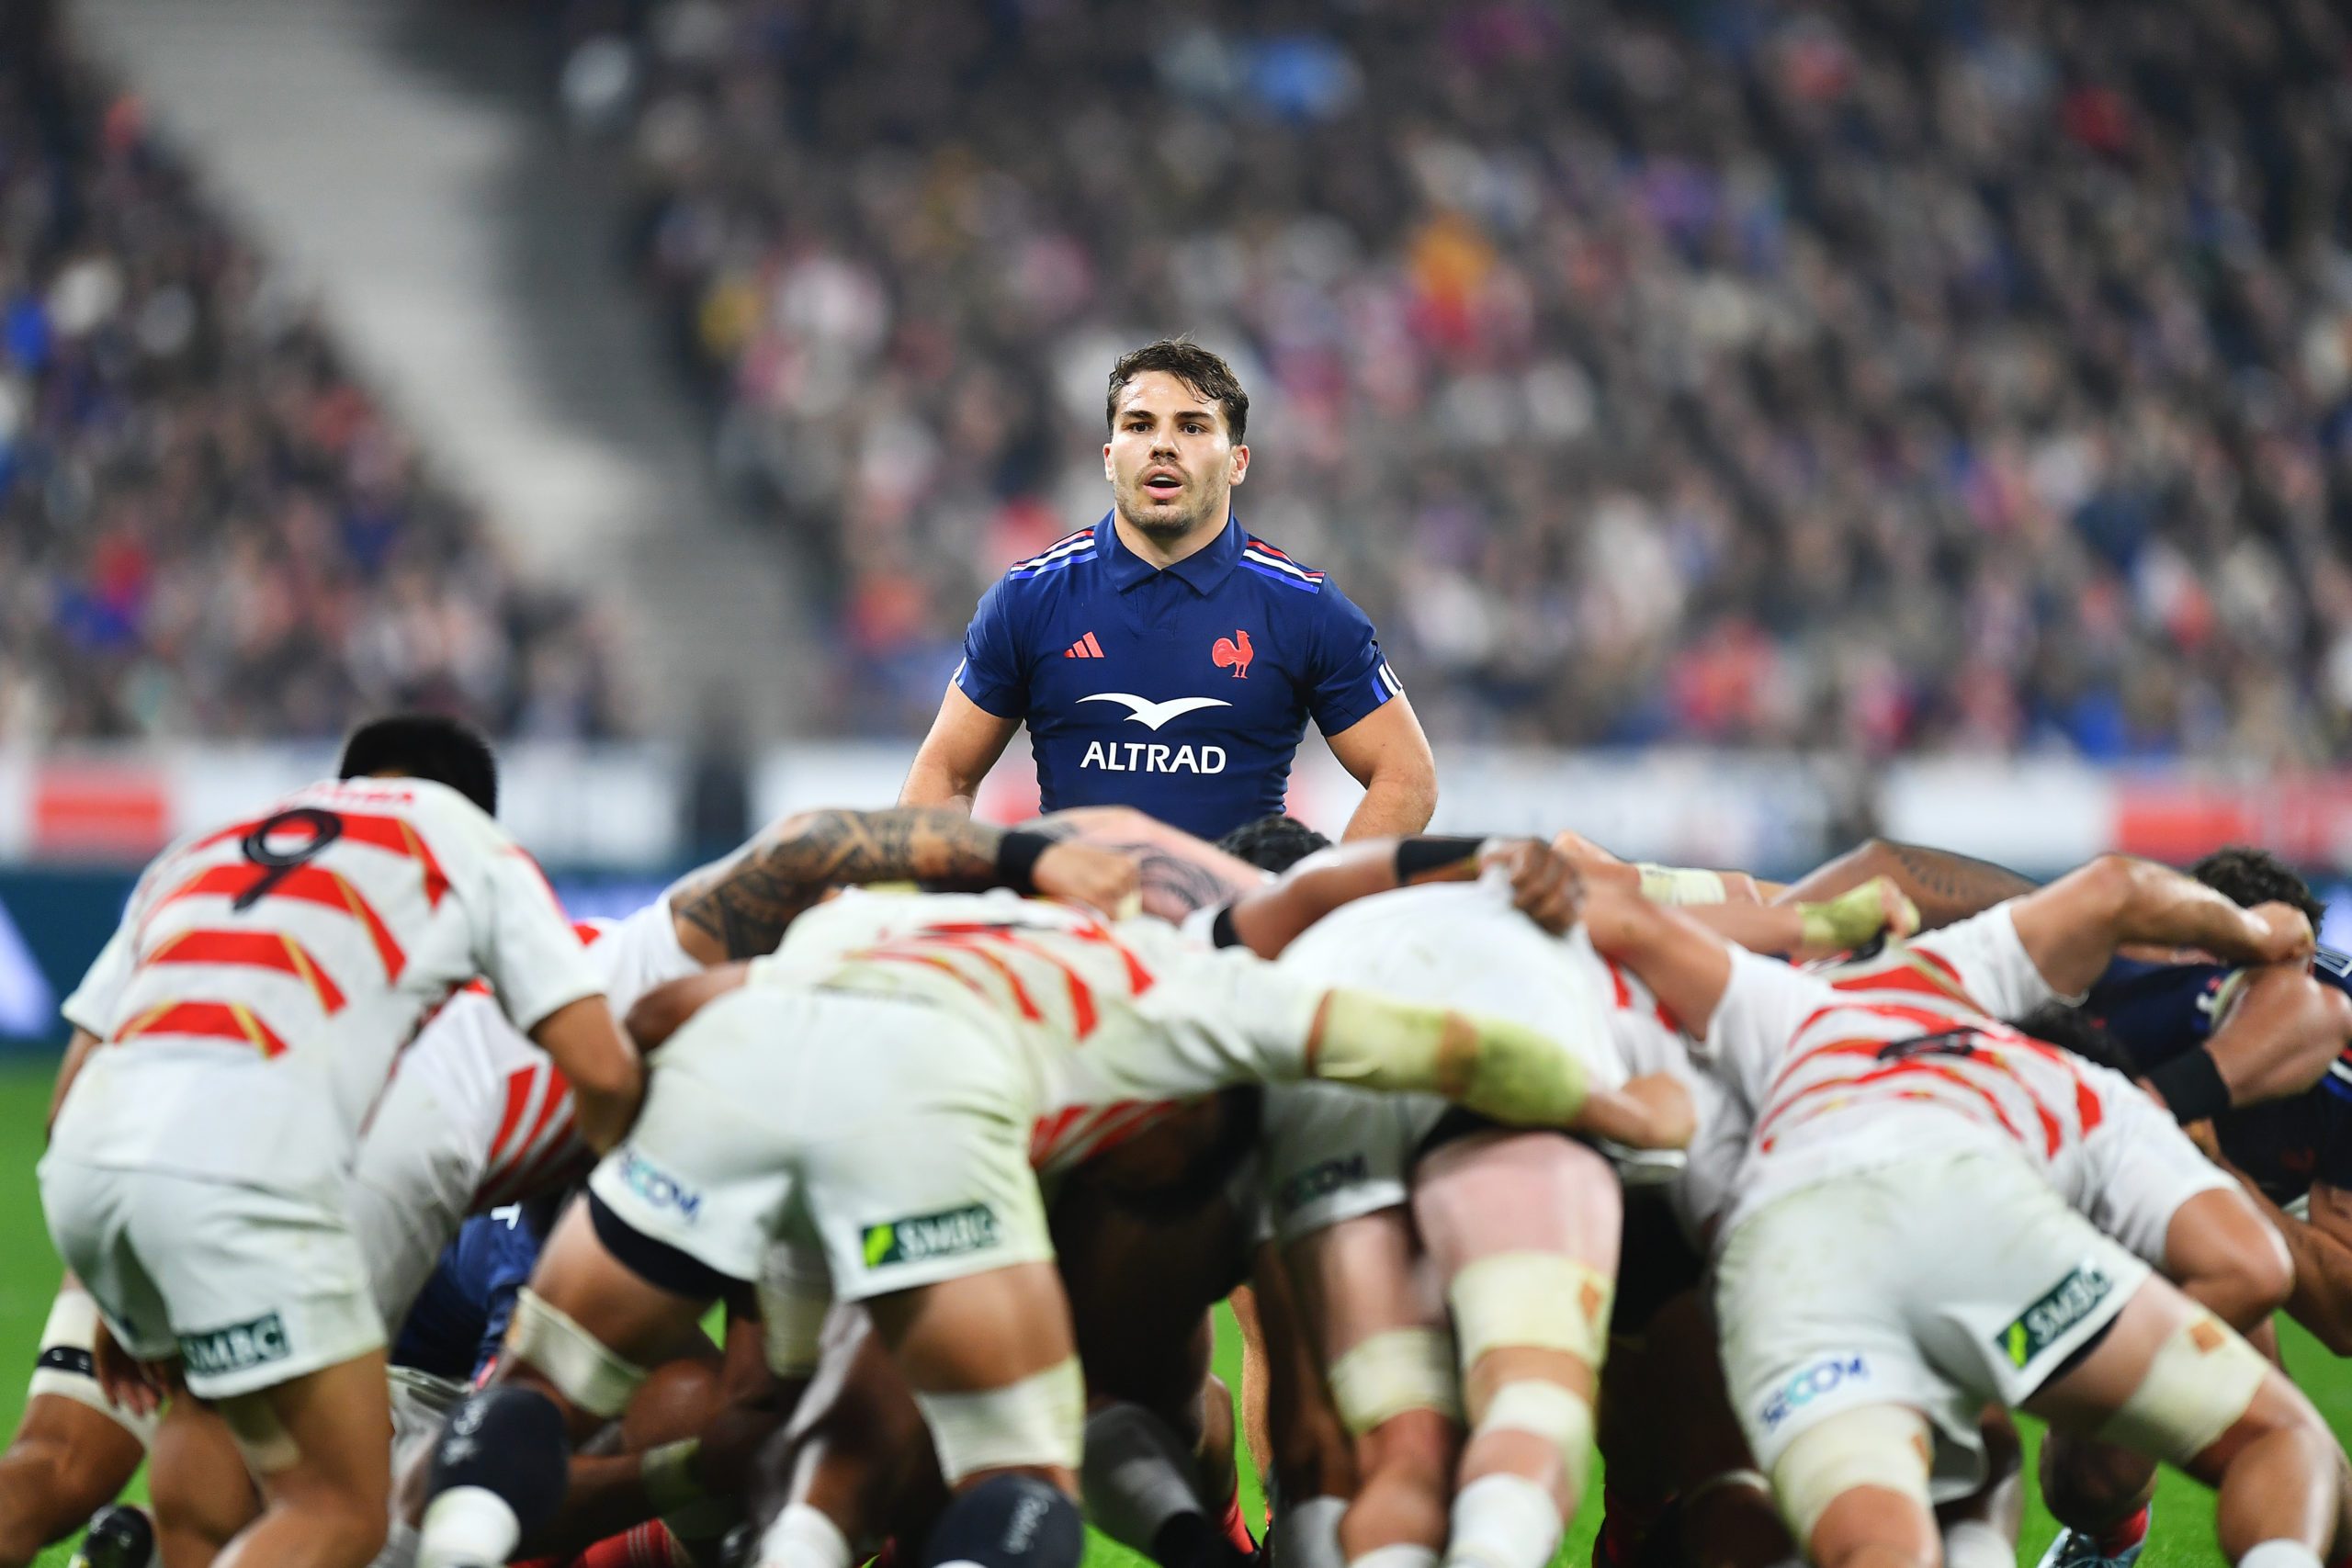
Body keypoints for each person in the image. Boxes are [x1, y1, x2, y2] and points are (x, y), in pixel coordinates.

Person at [408, 848, 1687, 1568]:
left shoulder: (889, 926)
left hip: (740, 1066)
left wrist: (637, 1143)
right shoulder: (1182, 1000)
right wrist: (1610, 1105)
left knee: (551, 1396)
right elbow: (1426, 1041)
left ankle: (454, 1545)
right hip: (924, 1115)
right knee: (1009, 1462)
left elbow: (668, 1011)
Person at [38, 714, 645, 1568]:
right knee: (338, 1510)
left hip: (93, 1176)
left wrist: (129, 1275)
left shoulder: (208, 848)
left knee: (206, 1428)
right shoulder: (465, 848)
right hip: (245, 1180)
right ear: (476, 809)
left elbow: (68, 1096)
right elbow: (602, 1068)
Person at [900, 338, 1437, 842]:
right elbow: (945, 773)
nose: (1162, 445)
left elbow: (1406, 777)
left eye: (1193, 427)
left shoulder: (1304, 608)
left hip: (1234, 914)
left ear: (1237, 463)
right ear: (1109, 457)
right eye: (1139, 425)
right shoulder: (1029, 598)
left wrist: (1311, 900)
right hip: (1078, 911)